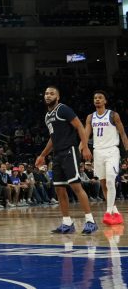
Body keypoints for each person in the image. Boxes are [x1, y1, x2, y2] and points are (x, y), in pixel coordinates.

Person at [35, 86, 97, 234]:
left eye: (51, 93)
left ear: (58, 97)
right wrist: (42, 155)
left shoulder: (63, 109)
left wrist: (86, 147)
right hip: (57, 155)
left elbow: (80, 126)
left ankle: (90, 221)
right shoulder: (47, 116)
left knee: (76, 186)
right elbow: (53, 138)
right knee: (59, 189)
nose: (48, 95)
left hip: (69, 151)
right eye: (46, 93)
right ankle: (67, 223)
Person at [84, 90, 128, 225]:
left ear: (105, 101)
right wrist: (83, 147)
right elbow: (86, 134)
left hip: (112, 151)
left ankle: (108, 212)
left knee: (110, 180)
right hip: (98, 152)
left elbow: (123, 135)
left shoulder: (113, 115)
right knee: (103, 183)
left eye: (100, 98)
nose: (97, 99)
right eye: (95, 98)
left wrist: (126, 152)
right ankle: (114, 209)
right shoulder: (90, 117)